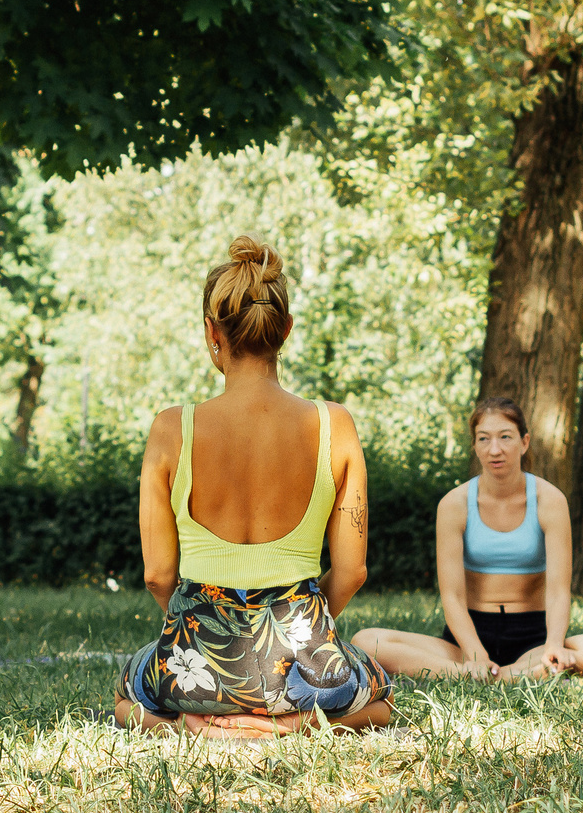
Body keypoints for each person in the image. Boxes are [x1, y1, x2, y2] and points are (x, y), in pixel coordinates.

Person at [115, 235, 393, 738]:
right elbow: (352, 572)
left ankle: (196, 725)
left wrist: (198, 626)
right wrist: (305, 629)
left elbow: (157, 576)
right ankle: (293, 726)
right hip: (304, 667)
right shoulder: (335, 426)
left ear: (211, 331)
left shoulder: (171, 428)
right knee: (381, 698)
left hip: (195, 666)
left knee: (125, 696)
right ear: (285, 328)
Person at [353, 398, 583, 680]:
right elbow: (452, 596)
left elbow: (558, 591)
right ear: (475, 445)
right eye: (484, 439)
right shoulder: (454, 504)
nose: (495, 449)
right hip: (467, 639)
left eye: (505, 437)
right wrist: (474, 654)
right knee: (366, 641)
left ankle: (494, 675)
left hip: (533, 640)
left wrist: (554, 645)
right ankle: (502, 674)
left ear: (524, 442)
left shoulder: (550, 500)